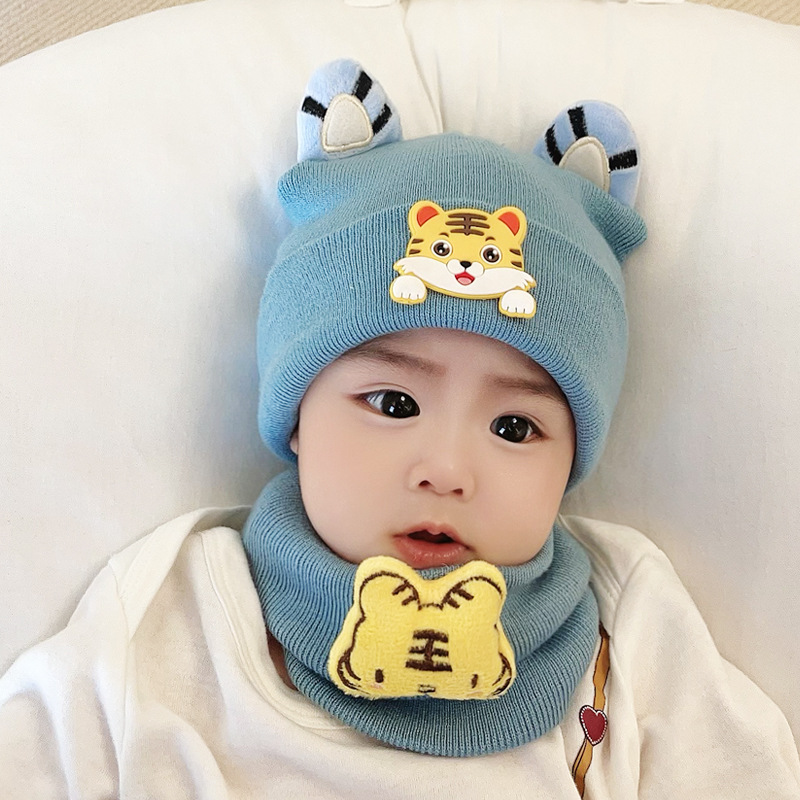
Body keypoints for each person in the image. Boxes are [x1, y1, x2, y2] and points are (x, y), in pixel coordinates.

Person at [0, 59, 798, 799]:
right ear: (296, 417)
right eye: (392, 404)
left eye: (514, 426)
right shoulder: (165, 620)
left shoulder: (625, 634)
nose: (446, 469)